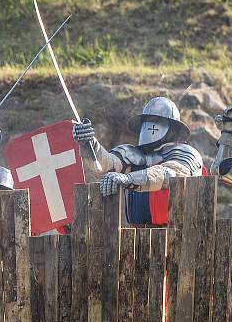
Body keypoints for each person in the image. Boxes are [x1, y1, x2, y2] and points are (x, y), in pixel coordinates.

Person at [72, 96, 204, 226]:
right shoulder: (134, 154)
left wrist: (128, 179)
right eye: (148, 121)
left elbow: (169, 174)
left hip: (177, 232)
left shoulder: (187, 153)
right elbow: (106, 166)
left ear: (173, 128)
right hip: (137, 235)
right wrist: (89, 144)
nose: (150, 126)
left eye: (156, 121)